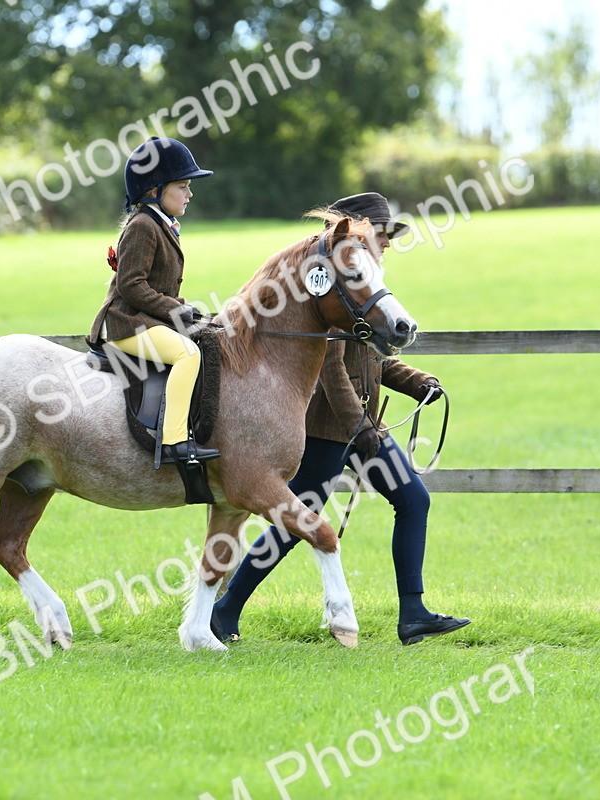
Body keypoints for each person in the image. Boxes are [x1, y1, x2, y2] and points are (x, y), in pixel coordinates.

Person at [210, 192, 471, 646]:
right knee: (296, 521)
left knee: (413, 500)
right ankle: (224, 609)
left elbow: (373, 360)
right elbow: (333, 373)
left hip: (362, 429)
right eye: (381, 235)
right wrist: (361, 430)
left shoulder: (366, 286)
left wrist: (416, 383)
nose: (386, 243)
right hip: (329, 431)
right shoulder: (333, 291)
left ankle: (413, 613)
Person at [89, 137, 219, 466]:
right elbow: (131, 285)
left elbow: (158, 286)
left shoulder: (161, 224)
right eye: (183, 186)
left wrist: (187, 310)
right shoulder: (143, 226)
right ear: (154, 190)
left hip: (147, 319)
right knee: (187, 354)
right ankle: (174, 441)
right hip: (128, 324)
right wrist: (176, 310)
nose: (189, 194)